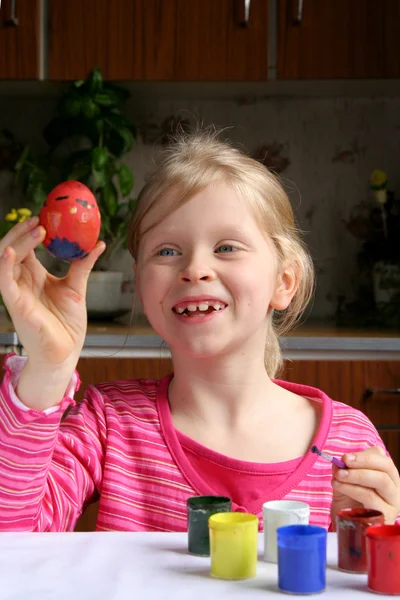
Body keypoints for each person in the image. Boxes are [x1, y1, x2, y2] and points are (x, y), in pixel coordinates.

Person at [0, 131, 399, 533]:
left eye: (226, 247)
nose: (195, 269)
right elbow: (13, 544)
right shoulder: (109, 423)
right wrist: (49, 368)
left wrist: (366, 534)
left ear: (284, 281)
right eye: (167, 251)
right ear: (141, 283)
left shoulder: (349, 444)